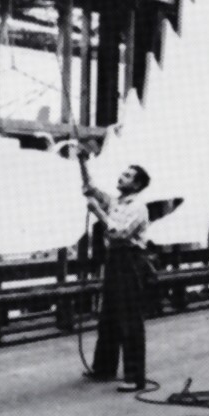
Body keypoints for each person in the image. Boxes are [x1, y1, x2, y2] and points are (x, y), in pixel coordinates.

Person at [79, 158, 151, 392]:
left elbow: (120, 234)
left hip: (130, 260)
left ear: (137, 185)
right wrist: (81, 161)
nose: (121, 177)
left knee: (129, 317)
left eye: (128, 175)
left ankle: (135, 376)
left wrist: (98, 212)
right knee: (109, 315)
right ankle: (104, 367)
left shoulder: (137, 207)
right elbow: (91, 188)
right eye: (123, 173)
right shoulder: (116, 202)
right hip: (114, 260)